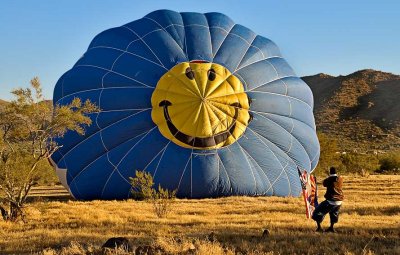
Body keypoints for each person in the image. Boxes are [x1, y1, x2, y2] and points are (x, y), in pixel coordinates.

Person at [312, 167, 344, 232]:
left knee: (317, 212)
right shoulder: (340, 179)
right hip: (339, 201)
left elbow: (324, 184)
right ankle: (331, 228)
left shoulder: (328, 179)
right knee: (334, 213)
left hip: (330, 201)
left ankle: (319, 228)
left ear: (330, 172)